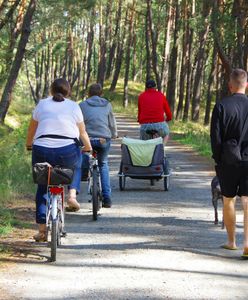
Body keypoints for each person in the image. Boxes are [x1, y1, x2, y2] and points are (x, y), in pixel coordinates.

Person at [26, 78, 92, 242]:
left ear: (51, 90)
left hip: (41, 148)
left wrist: (29, 144)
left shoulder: (42, 104)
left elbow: (32, 128)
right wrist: (88, 147)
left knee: (43, 186)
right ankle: (72, 195)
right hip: (67, 150)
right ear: (68, 91)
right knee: (76, 165)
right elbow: (82, 132)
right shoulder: (73, 106)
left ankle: (42, 231)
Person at [210, 68, 248, 258]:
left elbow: (215, 138)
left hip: (228, 160)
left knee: (228, 199)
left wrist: (217, 158)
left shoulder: (221, 106)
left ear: (230, 85)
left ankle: (232, 241)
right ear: (246, 85)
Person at [79, 83, 118, 208]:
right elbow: (112, 123)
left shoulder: (82, 105)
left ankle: (81, 179)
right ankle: (107, 198)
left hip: (87, 139)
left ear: (88, 94)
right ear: (101, 94)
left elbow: (78, 124)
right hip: (103, 139)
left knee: (83, 156)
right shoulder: (107, 105)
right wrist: (114, 135)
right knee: (103, 164)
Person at [137, 79, 172, 143]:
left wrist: (140, 120)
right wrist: (168, 119)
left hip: (145, 126)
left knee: (144, 142)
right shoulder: (161, 95)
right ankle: (162, 148)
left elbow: (140, 112)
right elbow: (168, 112)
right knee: (166, 134)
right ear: (155, 87)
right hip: (159, 125)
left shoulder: (141, 96)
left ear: (146, 87)